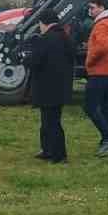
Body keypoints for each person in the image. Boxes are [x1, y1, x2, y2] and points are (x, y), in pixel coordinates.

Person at [26, 9, 75, 163]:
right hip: (61, 86)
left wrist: (26, 57)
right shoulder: (65, 37)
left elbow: (34, 61)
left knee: (50, 122)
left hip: (47, 87)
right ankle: (48, 150)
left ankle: (58, 155)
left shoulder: (45, 39)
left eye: (40, 24)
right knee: (51, 120)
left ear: (44, 23)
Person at [83, 0, 108, 157]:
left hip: (101, 71)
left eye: (92, 7)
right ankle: (107, 140)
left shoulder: (102, 24)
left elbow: (102, 47)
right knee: (105, 106)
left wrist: (90, 61)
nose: (90, 11)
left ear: (102, 8)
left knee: (90, 107)